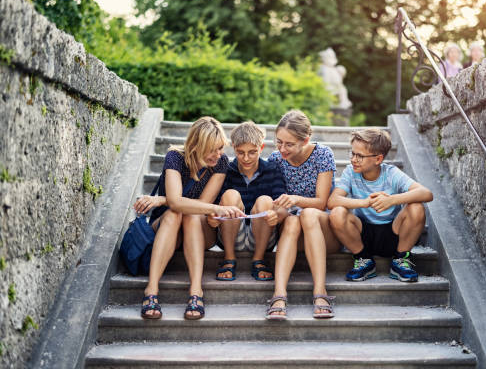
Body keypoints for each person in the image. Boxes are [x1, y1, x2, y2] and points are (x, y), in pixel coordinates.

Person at [133, 116, 245, 320]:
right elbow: (176, 203)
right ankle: (151, 290)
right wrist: (168, 201)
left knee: (191, 215)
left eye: (220, 148)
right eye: (212, 148)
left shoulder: (220, 163)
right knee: (175, 213)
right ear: (197, 144)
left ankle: (196, 291)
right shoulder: (175, 157)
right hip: (169, 228)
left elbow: (202, 205)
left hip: (198, 230)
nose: (218, 154)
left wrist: (161, 199)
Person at [327, 128, 433, 283]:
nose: (354, 159)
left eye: (360, 156)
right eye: (353, 153)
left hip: (392, 233)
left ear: (378, 159)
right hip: (363, 235)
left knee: (416, 207)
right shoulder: (351, 172)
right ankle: (364, 260)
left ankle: (400, 260)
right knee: (337, 212)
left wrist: (392, 200)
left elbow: (426, 193)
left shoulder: (391, 173)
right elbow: (332, 201)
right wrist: (364, 203)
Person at [265, 110, 339, 320]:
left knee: (307, 215)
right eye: (279, 142)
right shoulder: (276, 159)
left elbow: (322, 202)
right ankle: (279, 294)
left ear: (305, 140)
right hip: (293, 232)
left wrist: (295, 199)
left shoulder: (323, 154)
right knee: (291, 221)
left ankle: (320, 292)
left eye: (289, 144)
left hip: (321, 230)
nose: (282, 149)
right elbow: (277, 200)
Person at [207, 121, 288, 281]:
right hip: (231, 234)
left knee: (266, 201)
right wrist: (212, 216)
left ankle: (259, 259)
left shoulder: (273, 169)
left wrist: (277, 214)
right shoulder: (227, 170)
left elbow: (283, 206)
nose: (246, 158)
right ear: (233, 148)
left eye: (252, 152)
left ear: (261, 148)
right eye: (240, 152)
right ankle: (229, 258)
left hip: (263, 235)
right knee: (230, 195)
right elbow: (214, 205)